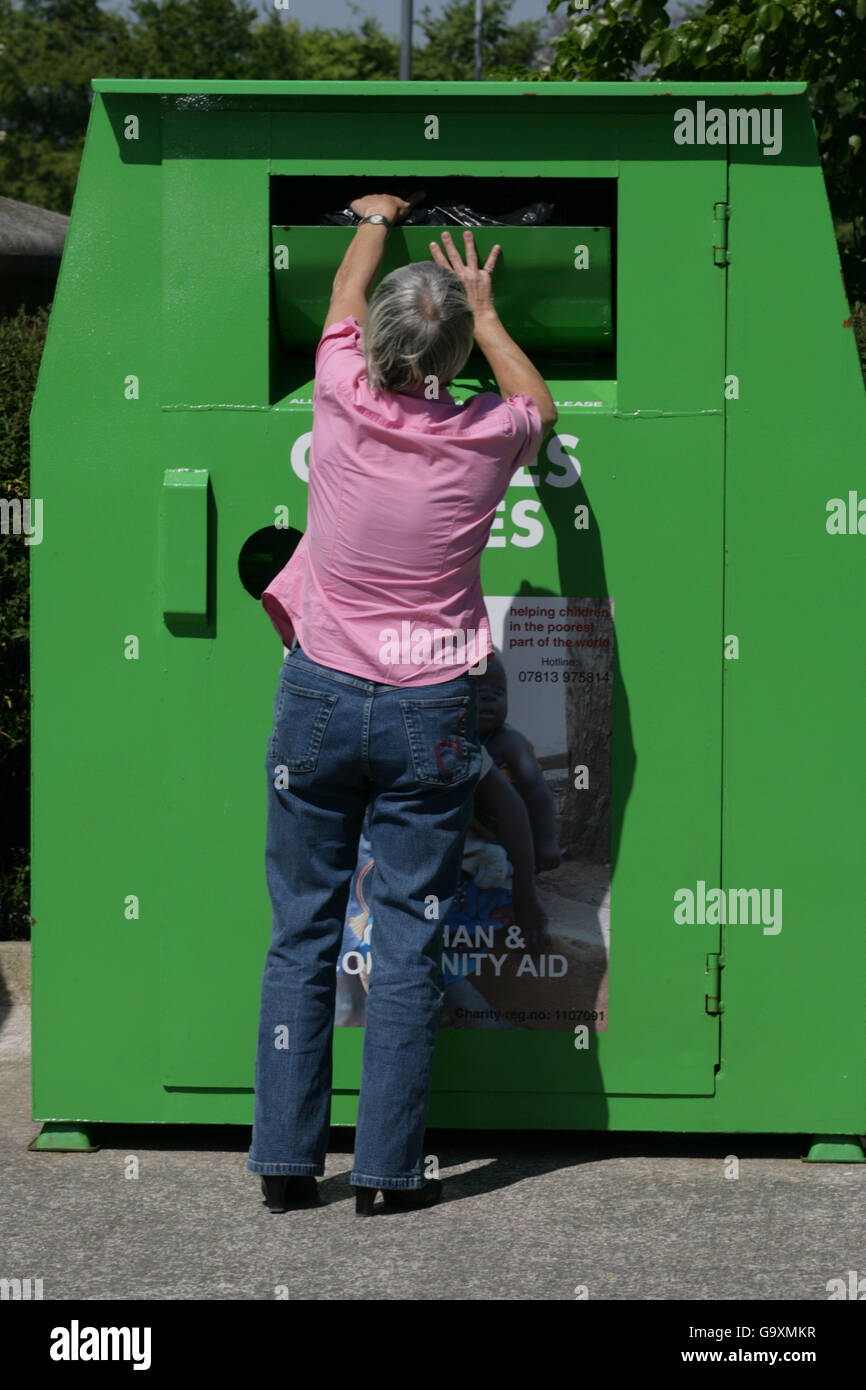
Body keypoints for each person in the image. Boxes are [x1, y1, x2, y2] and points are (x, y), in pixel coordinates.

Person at [246, 191, 557, 1216]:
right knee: (410, 933)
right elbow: (541, 406)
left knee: (300, 930)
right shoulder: (481, 437)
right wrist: (487, 310)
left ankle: (288, 1170)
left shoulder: (337, 390)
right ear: (455, 358)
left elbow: (341, 294)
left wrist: (373, 214)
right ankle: (384, 1176)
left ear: (373, 342)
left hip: (320, 697)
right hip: (430, 708)